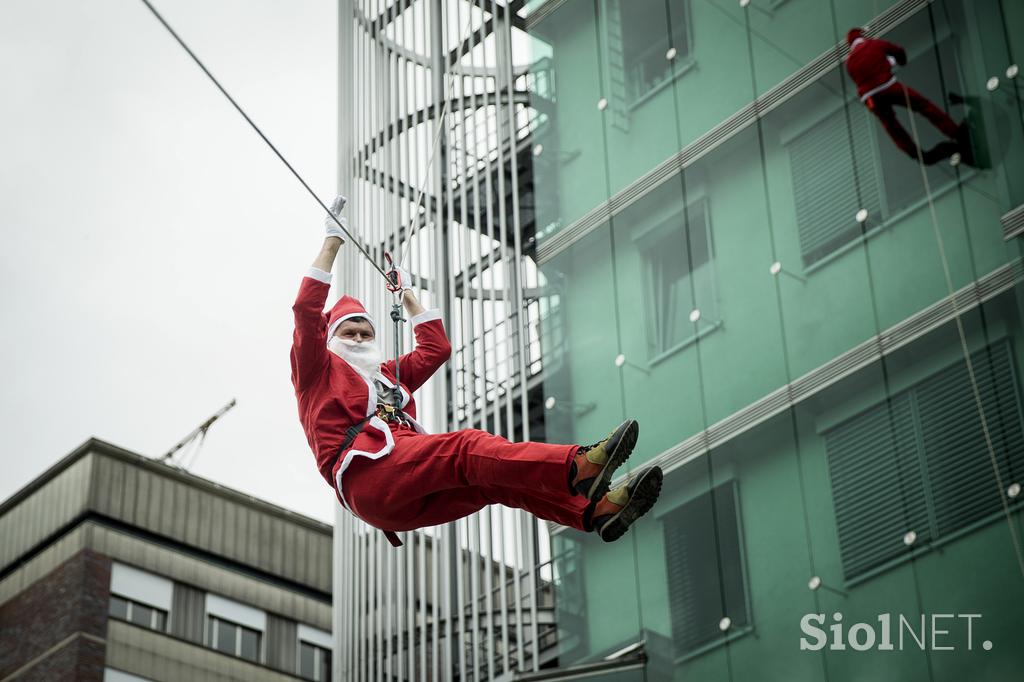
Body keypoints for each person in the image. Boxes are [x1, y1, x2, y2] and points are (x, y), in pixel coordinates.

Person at [291, 196, 663, 545]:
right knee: (467, 448)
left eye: (364, 331)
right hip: (368, 475)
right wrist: (331, 244)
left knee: (490, 483)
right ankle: (578, 464)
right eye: (348, 332)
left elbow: (437, 349)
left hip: (398, 493)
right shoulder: (316, 372)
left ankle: (596, 512)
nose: (357, 338)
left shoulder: (387, 375)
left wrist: (406, 294)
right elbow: (306, 314)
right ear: (329, 339)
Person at [845, 28, 970, 165]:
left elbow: (861, 77)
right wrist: (898, 61)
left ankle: (915, 154)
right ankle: (955, 132)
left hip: (870, 98)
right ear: (862, 36)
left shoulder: (849, 62)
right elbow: (899, 51)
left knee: (892, 126)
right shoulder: (874, 44)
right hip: (888, 86)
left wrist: (885, 64)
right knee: (923, 105)